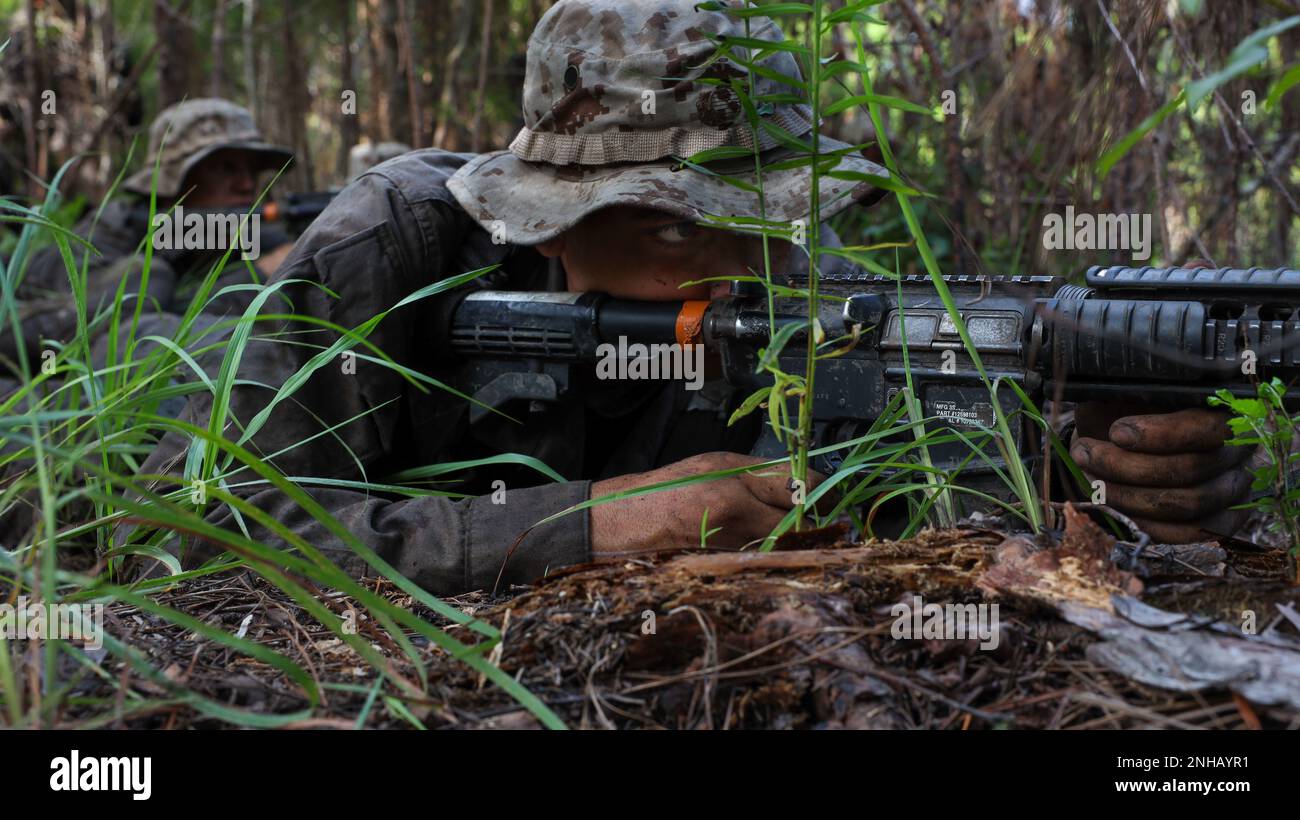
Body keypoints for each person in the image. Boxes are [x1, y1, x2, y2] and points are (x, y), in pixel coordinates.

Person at [123, 0, 1256, 595]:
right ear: (554, 210)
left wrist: (1106, 478)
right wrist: (599, 521)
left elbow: (933, 497)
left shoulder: (821, 305)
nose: (728, 249)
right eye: (675, 216)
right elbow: (212, 527)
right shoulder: (400, 243)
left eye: (754, 210)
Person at [6, 98, 296, 363]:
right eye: (226, 169)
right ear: (174, 180)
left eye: (252, 172)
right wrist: (259, 274)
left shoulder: (251, 235)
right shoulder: (115, 228)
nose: (246, 185)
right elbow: (116, 328)